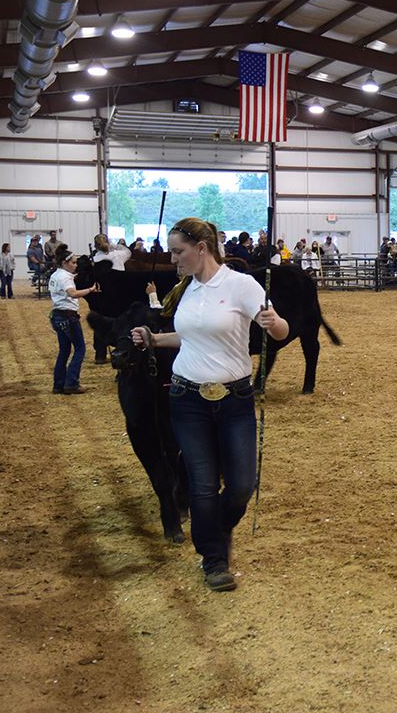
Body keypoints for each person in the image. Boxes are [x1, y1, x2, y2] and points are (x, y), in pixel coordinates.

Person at [130, 217, 289, 593]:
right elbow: (188, 338)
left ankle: (214, 530)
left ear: (202, 248)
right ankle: (214, 559)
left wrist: (274, 321)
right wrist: (153, 338)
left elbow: (281, 331)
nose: (173, 259)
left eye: (178, 251)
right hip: (187, 398)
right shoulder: (186, 289)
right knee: (202, 485)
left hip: (234, 398)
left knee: (240, 485)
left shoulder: (241, 286)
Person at [48, 249, 100, 394]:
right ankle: (71, 382)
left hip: (57, 315)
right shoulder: (65, 278)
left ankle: (58, 384)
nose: (75, 265)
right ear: (65, 263)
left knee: (64, 350)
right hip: (69, 317)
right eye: (73, 262)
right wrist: (90, 290)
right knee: (80, 349)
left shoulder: (55, 275)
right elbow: (73, 293)